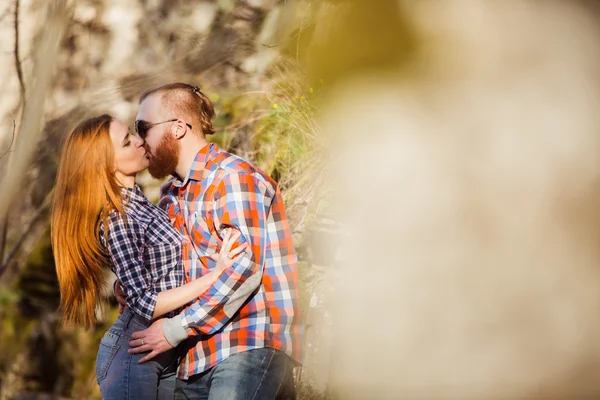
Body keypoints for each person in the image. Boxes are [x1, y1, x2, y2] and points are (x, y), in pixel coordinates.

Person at [115, 82, 302, 399]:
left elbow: (243, 269)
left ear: (177, 128)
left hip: (247, 342)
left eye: (143, 128)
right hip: (192, 358)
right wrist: (128, 286)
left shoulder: (233, 177)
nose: (139, 141)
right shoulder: (169, 196)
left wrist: (174, 331)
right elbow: (168, 272)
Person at [51, 114, 248, 400]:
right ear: (108, 164)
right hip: (136, 351)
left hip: (163, 350)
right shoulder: (117, 218)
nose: (141, 142)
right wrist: (215, 276)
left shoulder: (140, 201)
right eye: (128, 143)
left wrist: (122, 287)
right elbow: (146, 303)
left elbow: (147, 273)